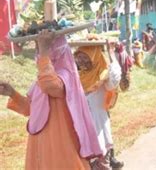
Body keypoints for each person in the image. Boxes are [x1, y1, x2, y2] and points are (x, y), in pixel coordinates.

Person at [0, 31, 102, 169]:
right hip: (40, 145)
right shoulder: (41, 79)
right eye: (38, 47)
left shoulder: (65, 75)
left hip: (59, 144)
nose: (38, 52)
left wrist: (44, 52)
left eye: (43, 47)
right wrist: (12, 93)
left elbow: (50, 85)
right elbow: (30, 109)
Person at [74, 41, 124, 169]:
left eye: (86, 57)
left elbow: (115, 79)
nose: (81, 61)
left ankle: (111, 159)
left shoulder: (103, 76)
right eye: (79, 57)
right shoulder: (77, 77)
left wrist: (111, 53)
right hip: (82, 132)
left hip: (98, 131)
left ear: (94, 57)